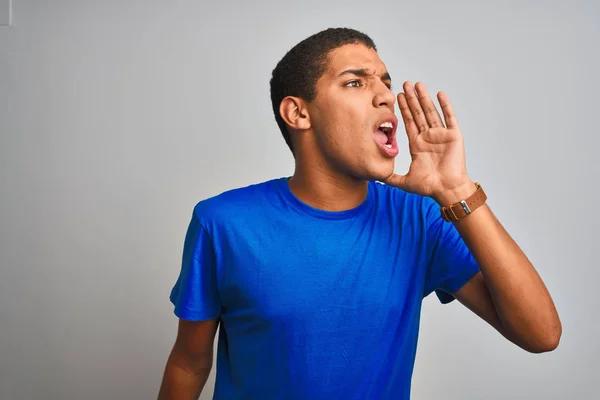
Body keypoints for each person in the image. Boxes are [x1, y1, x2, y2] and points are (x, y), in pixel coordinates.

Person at [157, 27, 561, 400]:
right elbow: (189, 362)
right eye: (355, 82)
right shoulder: (223, 223)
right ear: (299, 113)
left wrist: (457, 190)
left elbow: (541, 334)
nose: (385, 95)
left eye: (385, 81)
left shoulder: (420, 220)